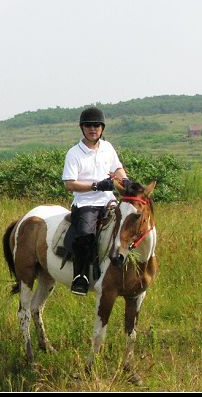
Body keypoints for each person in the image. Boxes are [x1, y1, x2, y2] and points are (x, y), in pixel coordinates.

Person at [62, 107, 128, 296]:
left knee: (130, 224)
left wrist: (126, 181)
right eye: (89, 125)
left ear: (102, 128)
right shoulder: (74, 153)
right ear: (82, 128)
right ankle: (80, 277)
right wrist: (96, 186)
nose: (93, 129)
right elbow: (69, 184)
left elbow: (118, 169)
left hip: (109, 201)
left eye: (97, 125)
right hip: (86, 203)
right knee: (85, 234)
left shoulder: (108, 147)